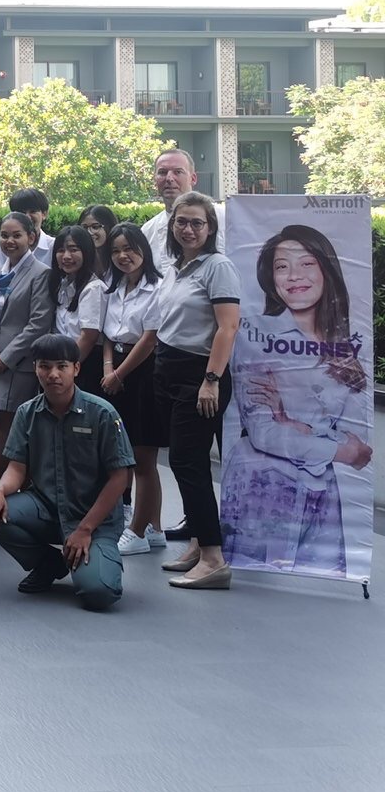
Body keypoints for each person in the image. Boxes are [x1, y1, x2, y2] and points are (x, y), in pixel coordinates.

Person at [221, 224, 372, 576]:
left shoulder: (347, 344)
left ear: (326, 270)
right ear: (270, 278)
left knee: (321, 579)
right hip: (263, 487)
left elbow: (362, 446)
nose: (293, 276)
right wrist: (338, 449)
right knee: (256, 582)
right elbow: (263, 433)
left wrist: (296, 425)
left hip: (322, 497)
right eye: (282, 266)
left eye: (306, 263)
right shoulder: (255, 332)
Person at [0, 336, 134, 610]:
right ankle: (48, 563)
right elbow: (17, 467)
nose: (53, 374)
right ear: (35, 368)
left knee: (100, 593)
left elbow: (119, 477)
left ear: (76, 368)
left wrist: (85, 529)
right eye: (45, 366)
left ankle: (93, 557)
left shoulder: (102, 413)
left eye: (62, 366)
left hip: (93, 520)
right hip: (47, 508)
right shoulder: (27, 412)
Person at [140, 192, 241, 589]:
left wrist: (211, 380)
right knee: (184, 462)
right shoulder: (176, 266)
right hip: (169, 369)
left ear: (210, 227)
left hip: (199, 376)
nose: (188, 229)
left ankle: (214, 559)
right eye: (181, 222)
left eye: (197, 222)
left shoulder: (218, 266)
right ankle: (199, 544)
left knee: (188, 463)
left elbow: (227, 327)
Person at [98, 224, 168, 558]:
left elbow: (149, 339)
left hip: (144, 374)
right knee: (123, 454)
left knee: (143, 457)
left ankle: (138, 531)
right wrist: (108, 369)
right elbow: (108, 334)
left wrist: (119, 373)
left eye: (129, 248)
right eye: (116, 250)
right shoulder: (113, 288)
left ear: (143, 249)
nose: (123, 256)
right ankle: (154, 527)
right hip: (116, 371)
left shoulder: (158, 287)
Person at [0, 211, 55, 479]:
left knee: (9, 430)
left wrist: (7, 358)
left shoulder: (41, 274)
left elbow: (38, 324)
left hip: (19, 366)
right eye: (4, 235)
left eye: (16, 235)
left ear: (31, 238)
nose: (9, 241)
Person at [48, 227, 107, 392]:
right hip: (63, 361)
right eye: (61, 250)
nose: (66, 256)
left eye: (73, 250)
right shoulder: (63, 284)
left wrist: (67, 368)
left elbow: (88, 336)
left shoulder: (93, 288)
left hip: (82, 364)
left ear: (86, 252)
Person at [144, 148, 200, 275]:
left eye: (178, 172)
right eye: (162, 172)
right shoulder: (147, 232)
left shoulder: (222, 219)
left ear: (193, 178)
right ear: (155, 180)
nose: (169, 178)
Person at [77, 206, 119, 279]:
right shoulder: (76, 262)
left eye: (95, 227)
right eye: (84, 228)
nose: (89, 232)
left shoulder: (121, 261)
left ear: (109, 227)